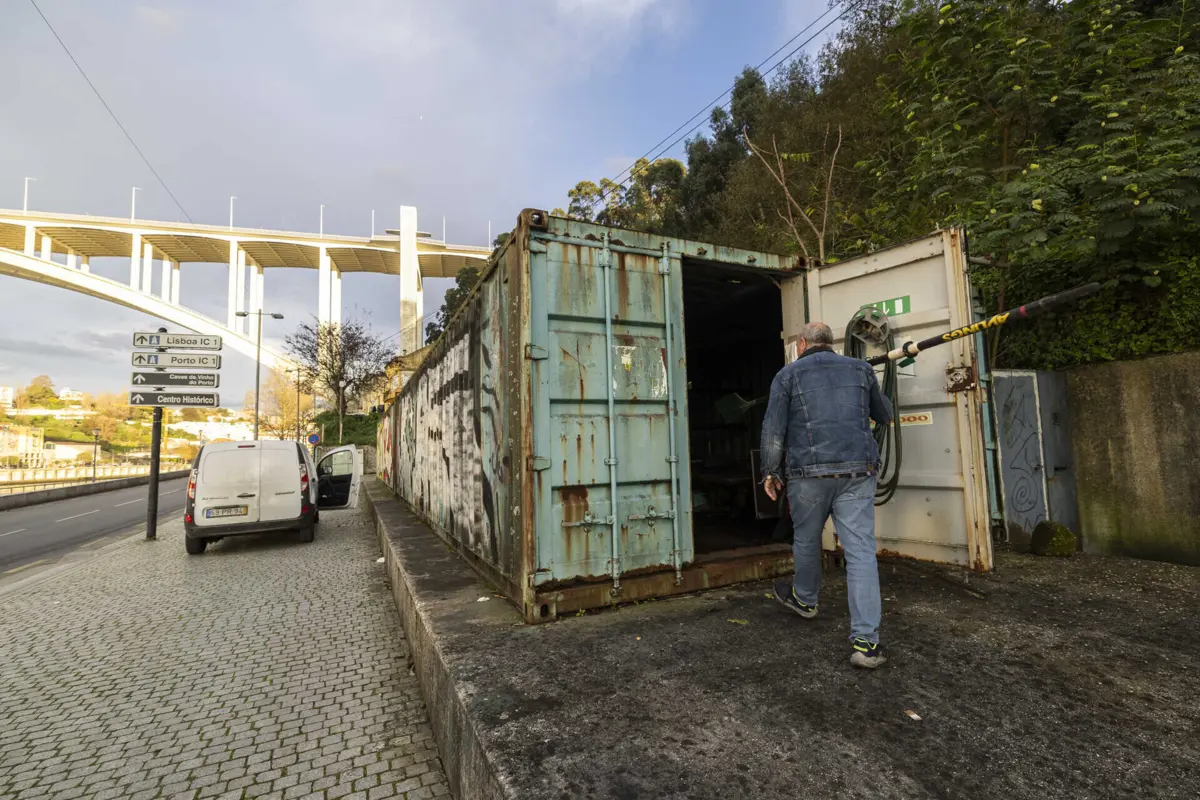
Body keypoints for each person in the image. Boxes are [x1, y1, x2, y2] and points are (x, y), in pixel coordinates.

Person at [760, 321, 894, 669]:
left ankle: (805, 601)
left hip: (808, 475)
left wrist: (770, 472)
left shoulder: (787, 375)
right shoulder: (861, 369)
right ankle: (867, 644)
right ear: (830, 344)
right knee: (861, 552)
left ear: (802, 343)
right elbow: (884, 415)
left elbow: (774, 429)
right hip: (856, 472)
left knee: (806, 540)